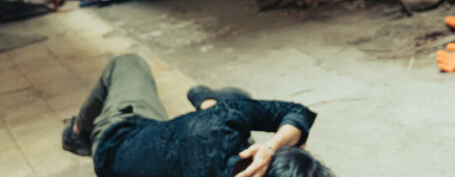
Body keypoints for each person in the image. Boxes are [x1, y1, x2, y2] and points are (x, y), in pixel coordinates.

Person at [61, 53, 333, 177]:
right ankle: (205, 99)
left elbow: (296, 113)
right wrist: (271, 148)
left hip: (115, 139)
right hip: (159, 139)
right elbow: (298, 113)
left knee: (127, 62)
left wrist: (272, 146)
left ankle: (77, 133)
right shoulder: (223, 124)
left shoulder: (221, 122)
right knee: (234, 102)